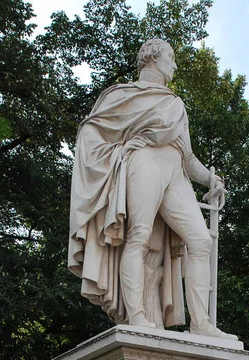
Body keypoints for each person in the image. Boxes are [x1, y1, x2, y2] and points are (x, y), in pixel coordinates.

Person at [69, 38, 229, 338]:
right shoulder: (121, 95)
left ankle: (201, 324)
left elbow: (188, 156)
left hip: (174, 170)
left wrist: (210, 178)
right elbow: (90, 133)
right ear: (153, 57)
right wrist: (119, 153)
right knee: (139, 236)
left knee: (201, 242)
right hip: (143, 163)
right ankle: (138, 316)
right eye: (171, 56)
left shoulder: (175, 104)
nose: (175, 63)